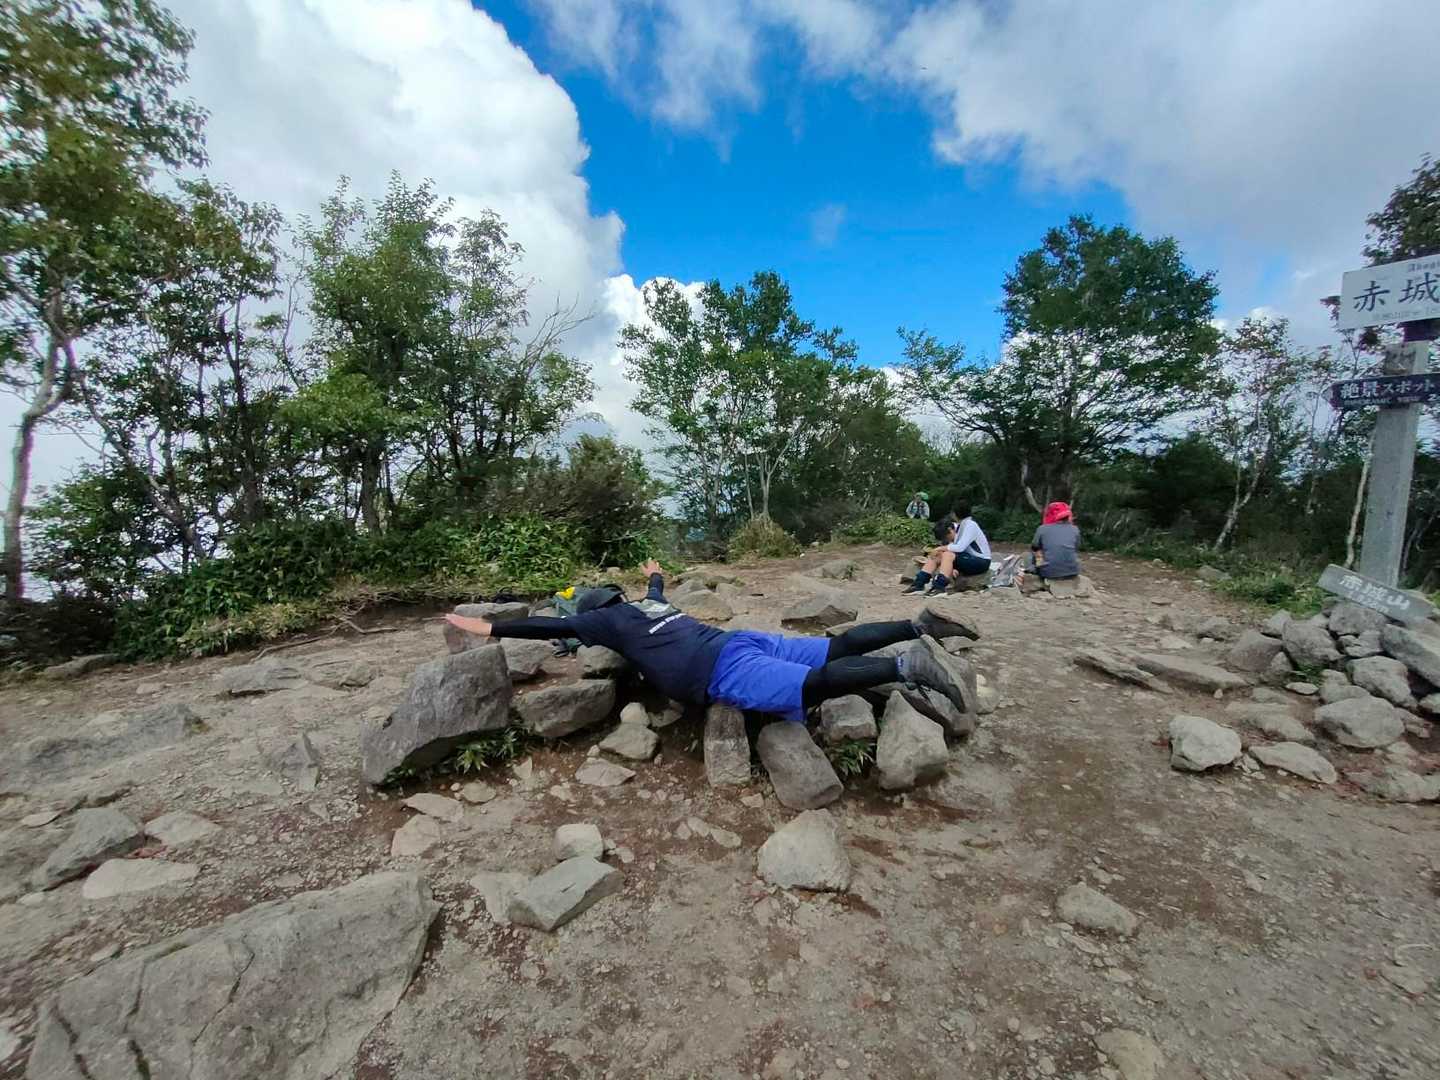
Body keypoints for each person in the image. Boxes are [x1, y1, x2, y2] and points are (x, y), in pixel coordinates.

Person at [444, 560, 979, 723]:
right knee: (834, 648)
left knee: (813, 685)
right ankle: (918, 625)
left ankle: (906, 667)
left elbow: (549, 628)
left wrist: (489, 627)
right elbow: (657, 586)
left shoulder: (604, 624)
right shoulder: (649, 603)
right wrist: (654, 574)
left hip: (718, 669)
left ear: (593, 615)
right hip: (738, 640)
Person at [903, 502, 992, 596]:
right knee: (937, 555)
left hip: (981, 561)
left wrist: (939, 548)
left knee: (947, 554)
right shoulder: (961, 525)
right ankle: (918, 584)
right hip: (968, 559)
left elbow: (960, 548)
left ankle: (939, 587)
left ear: (954, 514)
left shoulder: (970, 525)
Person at [1030, 502, 1081, 580]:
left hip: (1048, 573)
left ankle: (1035, 572)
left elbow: (1034, 547)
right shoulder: (1075, 529)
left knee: (1029, 555)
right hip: (1072, 572)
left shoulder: (1042, 528)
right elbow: (1076, 548)